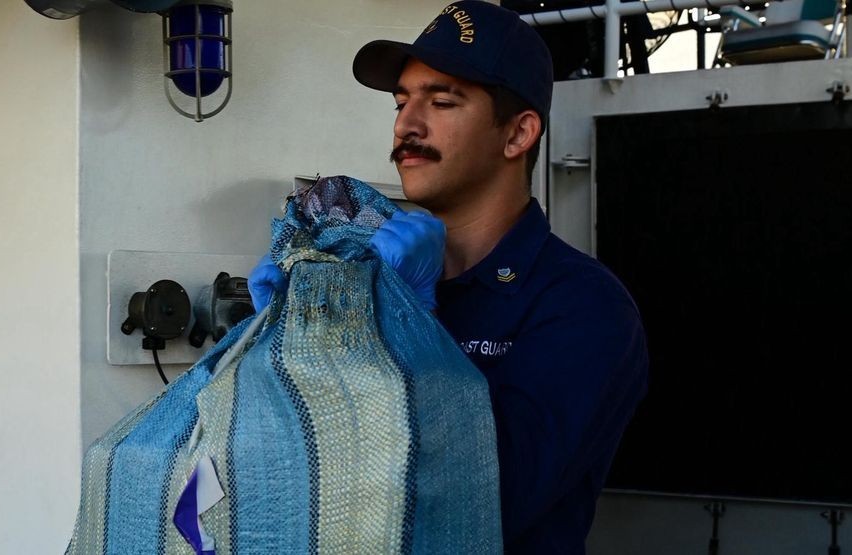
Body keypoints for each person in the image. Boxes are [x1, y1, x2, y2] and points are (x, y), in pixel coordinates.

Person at [249, 2, 648, 552]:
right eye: (401, 102)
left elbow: (484, 500)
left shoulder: (585, 307)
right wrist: (269, 352)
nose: (407, 125)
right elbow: (296, 463)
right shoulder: (366, 281)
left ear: (517, 135)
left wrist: (416, 323)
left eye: (441, 101)